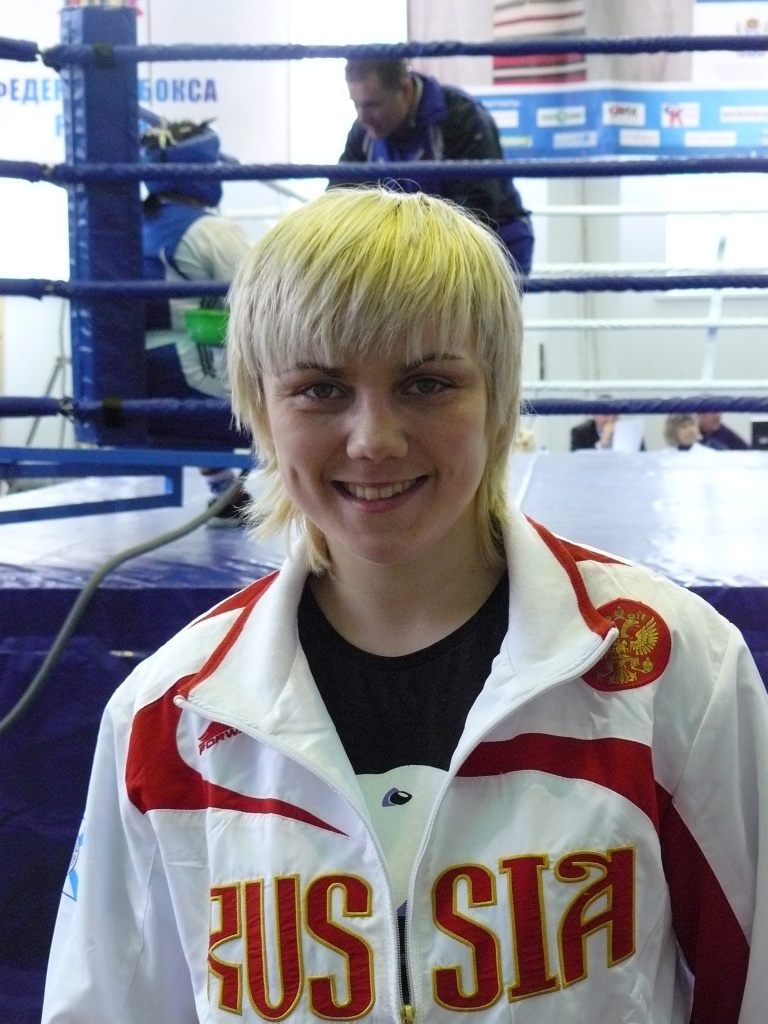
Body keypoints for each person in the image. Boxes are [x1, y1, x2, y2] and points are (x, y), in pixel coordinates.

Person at [42, 189, 768, 1024]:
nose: (374, 440)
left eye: (426, 383)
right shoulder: (167, 720)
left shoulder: (670, 671)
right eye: (321, 389)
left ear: (497, 395)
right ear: (260, 406)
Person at [140, 116, 252, 524]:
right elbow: (264, 300)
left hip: (142, 376)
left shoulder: (133, 224)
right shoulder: (208, 230)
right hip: (191, 378)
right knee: (301, 378)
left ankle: (225, 490)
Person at [333, 58, 534, 276]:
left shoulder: (460, 116)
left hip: (490, 246)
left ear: (405, 90)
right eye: (356, 104)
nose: (362, 117)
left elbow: (478, 208)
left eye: (373, 105)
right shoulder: (364, 132)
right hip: (415, 251)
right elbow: (338, 197)